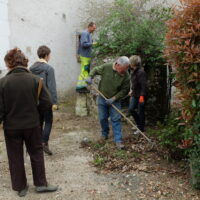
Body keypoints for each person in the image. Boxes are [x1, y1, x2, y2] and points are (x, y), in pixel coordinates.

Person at [0, 48, 58, 197]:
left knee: (15, 156)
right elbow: (47, 102)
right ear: (24, 62)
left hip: (11, 127)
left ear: (9, 64)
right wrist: (37, 115)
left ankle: (20, 187)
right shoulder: (36, 80)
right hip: (32, 125)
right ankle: (40, 184)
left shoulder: (3, 82)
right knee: (36, 153)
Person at [86, 56, 130, 149]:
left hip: (115, 101)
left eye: (126, 69)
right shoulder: (107, 67)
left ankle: (118, 140)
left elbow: (125, 90)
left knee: (116, 119)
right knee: (102, 118)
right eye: (122, 69)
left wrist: (114, 98)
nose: (124, 72)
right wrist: (90, 76)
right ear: (117, 65)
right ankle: (104, 134)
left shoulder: (126, 76)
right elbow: (95, 70)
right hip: (102, 98)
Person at [30, 45, 58, 155]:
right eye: (49, 55)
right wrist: (54, 102)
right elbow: (51, 87)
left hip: (35, 100)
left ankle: (37, 144)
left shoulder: (31, 68)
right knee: (49, 121)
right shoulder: (49, 69)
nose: (50, 57)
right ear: (46, 55)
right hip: (46, 100)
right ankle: (44, 142)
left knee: (39, 122)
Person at [128, 55, 147, 134]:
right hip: (135, 94)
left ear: (133, 63)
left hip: (141, 95)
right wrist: (132, 90)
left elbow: (143, 86)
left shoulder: (141, 72)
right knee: (131, 109)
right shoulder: (134, 71)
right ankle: (138, 124)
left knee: (141, 111)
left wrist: (142, 97)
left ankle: (141, 128)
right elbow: (135, 83)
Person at [76, 22, 96, 93]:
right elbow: (83, 44)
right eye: (93, 28)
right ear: (89, 27)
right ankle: (79, 87)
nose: (94, 30)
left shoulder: (89, 34)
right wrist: (92, 43)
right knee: (84, 71)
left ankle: (83, 86)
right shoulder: (85, 33)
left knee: (86, 71)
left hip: (87, 56)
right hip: (84, 56)